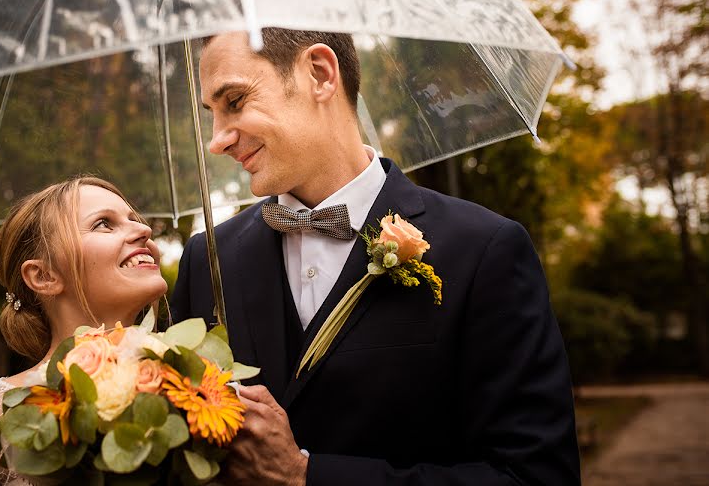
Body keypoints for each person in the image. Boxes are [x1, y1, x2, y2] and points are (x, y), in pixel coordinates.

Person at [171, 29, 580, 485]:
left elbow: (536, 476)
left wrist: (307, 476)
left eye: (235, 101)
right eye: (211, 113)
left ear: (320, 74)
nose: (217, 140)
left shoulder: (484, 249)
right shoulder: (206, 261)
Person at [0, 176, 167, 486]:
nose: (144, 230)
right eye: (104, 223)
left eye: (134, 219)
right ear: (44, 275)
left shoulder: (193, 392)